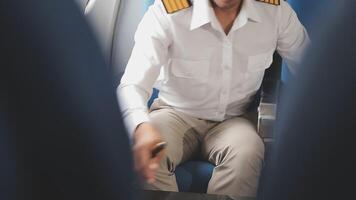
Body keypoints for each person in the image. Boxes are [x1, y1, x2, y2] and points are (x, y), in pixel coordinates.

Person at [118, 0, 309, 197]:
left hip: (236, 118)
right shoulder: (166, 12)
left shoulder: (276, 13)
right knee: (148, 153)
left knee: (247, 152)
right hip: (174, 113)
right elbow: (132, 85)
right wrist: (141, 127)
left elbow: (314, 70)